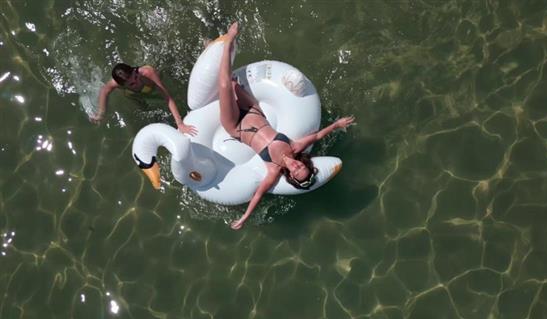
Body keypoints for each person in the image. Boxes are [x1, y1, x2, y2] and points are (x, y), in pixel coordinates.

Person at [217, 22, 355, 230]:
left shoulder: (273, 169)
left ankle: (229, 39)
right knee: (234, 84)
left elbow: (258, 194)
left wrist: (245, 217)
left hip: (236, 126)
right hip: (254, 111)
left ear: (291, 176)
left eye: (297, 172)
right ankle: (220, 52)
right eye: (302, 167)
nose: (297, 167)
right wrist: (336, 124)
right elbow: (318, 136)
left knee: (224, 85)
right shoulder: (294, 147)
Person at [90, 63, 197, 135]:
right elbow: (104, 91)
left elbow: (167, 98)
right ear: (121, 85)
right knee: (142, 107)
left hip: (151, 86)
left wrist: (180, 123)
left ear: (135, 71)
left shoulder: (147, 73)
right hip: (134, 95)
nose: (136, 83)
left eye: (136, 78)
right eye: (131, 83)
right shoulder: (116, 83)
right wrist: (101, 114)